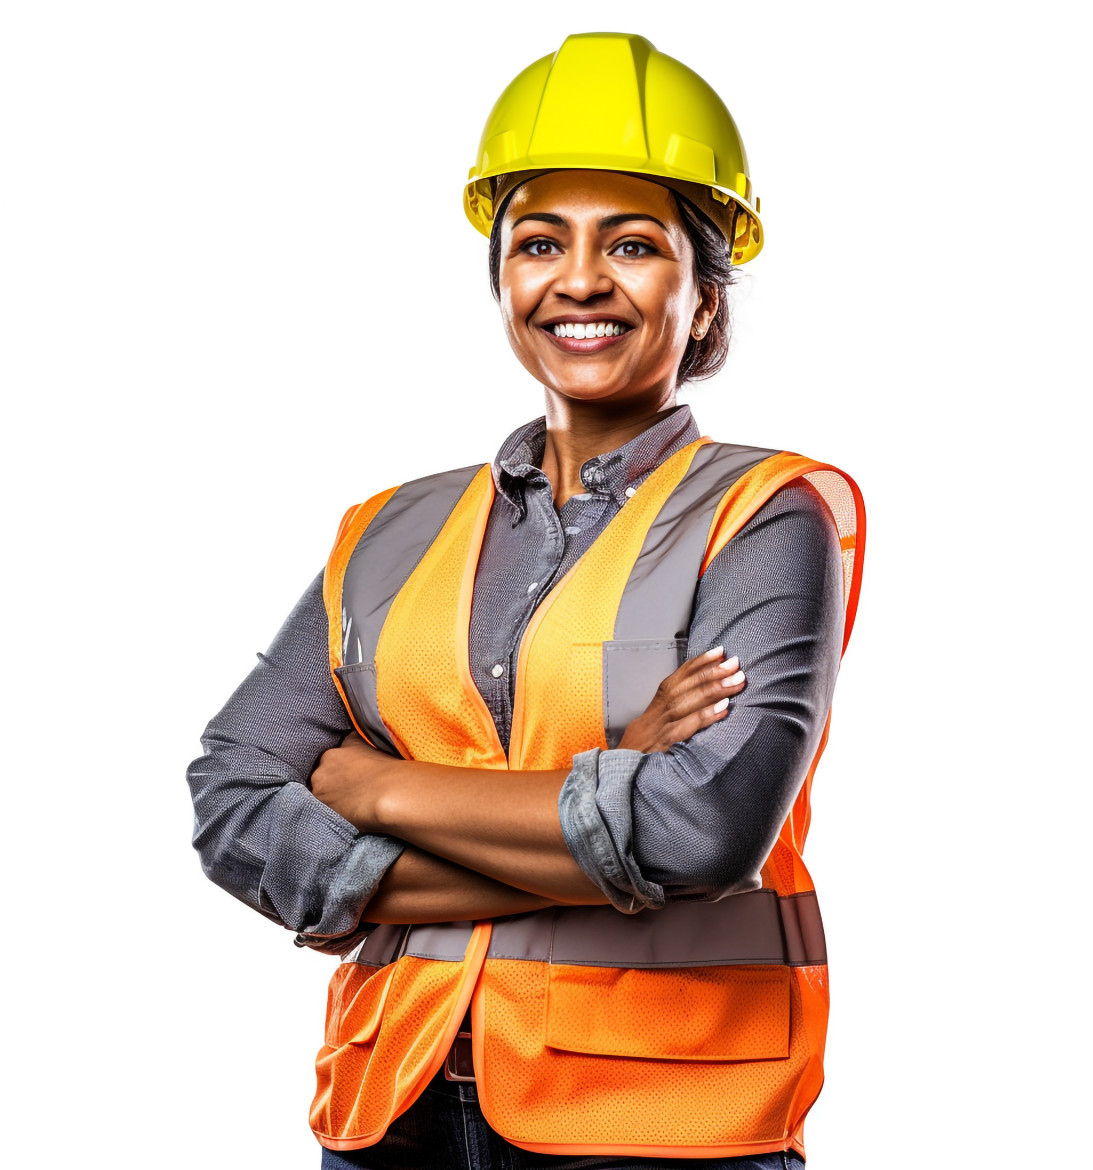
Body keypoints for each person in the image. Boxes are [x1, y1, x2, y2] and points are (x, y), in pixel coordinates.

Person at [186, 32, 865, 1170]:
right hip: (388, 1109)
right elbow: (232, 800)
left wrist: (371, 785)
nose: (579, 280)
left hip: (655, 1128)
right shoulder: (388, 531)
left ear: (703, 300)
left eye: (634, 245)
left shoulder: (763, 515)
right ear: (503, 279)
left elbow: (700, 830)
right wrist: (609, 786)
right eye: (538, 242)